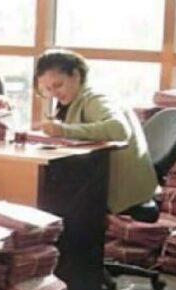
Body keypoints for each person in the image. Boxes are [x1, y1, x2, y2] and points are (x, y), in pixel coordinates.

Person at [35, 49, 158, 215]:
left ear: (76, 75)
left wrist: (64, 130)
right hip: (99, 177)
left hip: (118, 186)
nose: (54, 93)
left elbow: (119, 129)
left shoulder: (95, 99)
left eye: (58, 85)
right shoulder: (74, 101)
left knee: (45, 193)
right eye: (48, 89)